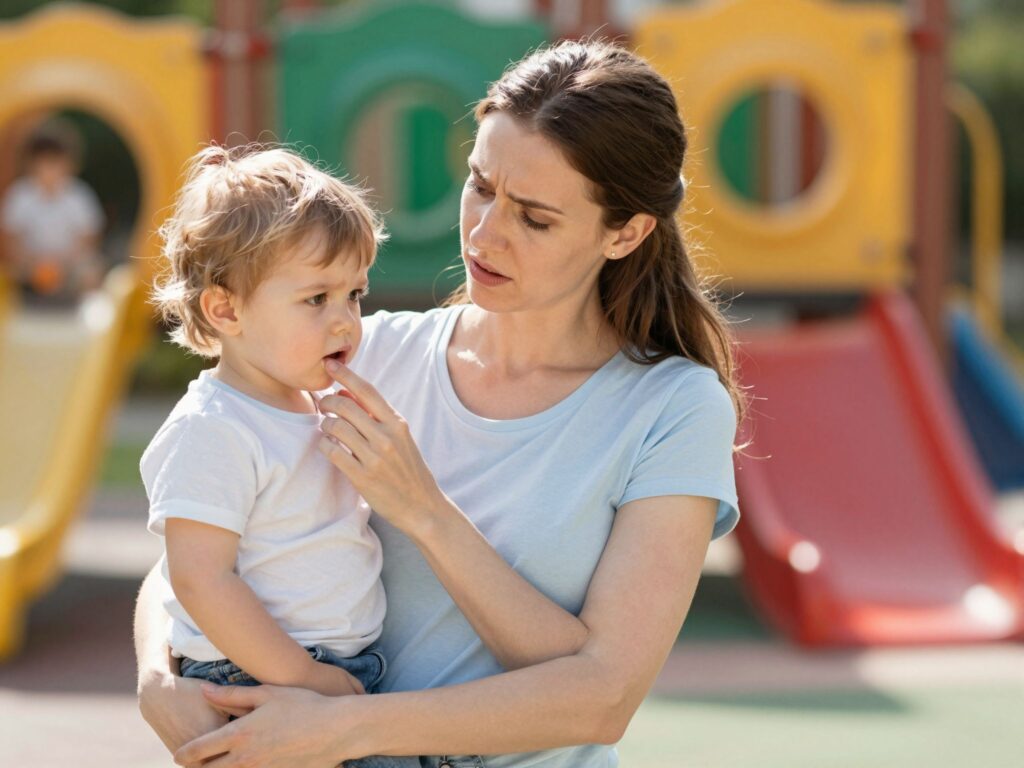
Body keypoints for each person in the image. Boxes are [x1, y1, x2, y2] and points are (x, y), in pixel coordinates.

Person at [135, 40, 744, 768]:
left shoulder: (674, 409)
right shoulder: (356, 354)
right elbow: (199, 543)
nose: (485, 234)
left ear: (627, 231)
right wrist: (156, 680)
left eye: (536, 218)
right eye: (481, 186)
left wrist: (422, 512)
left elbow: (602, 697)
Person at [142, 144, 418, 768]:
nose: (346, 321)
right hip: (259, 677)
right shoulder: (215, 428)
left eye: (354, 294)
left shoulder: (309, 403)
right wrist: (304, 677)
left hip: (341, 668)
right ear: (226, 309)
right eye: (316, 299)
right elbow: (199, 577)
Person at [0, 121, 104, 304]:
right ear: (31, 165)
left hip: (69, 262)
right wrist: (33, 261)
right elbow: (11, 238)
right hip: (29, 264)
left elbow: (89, 238)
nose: (50, 170)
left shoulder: (79, 195)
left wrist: (62, 262)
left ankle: (87, 321)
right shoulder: (20, 195)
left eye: (56, 163)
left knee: (91, 271)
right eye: (44, 163)